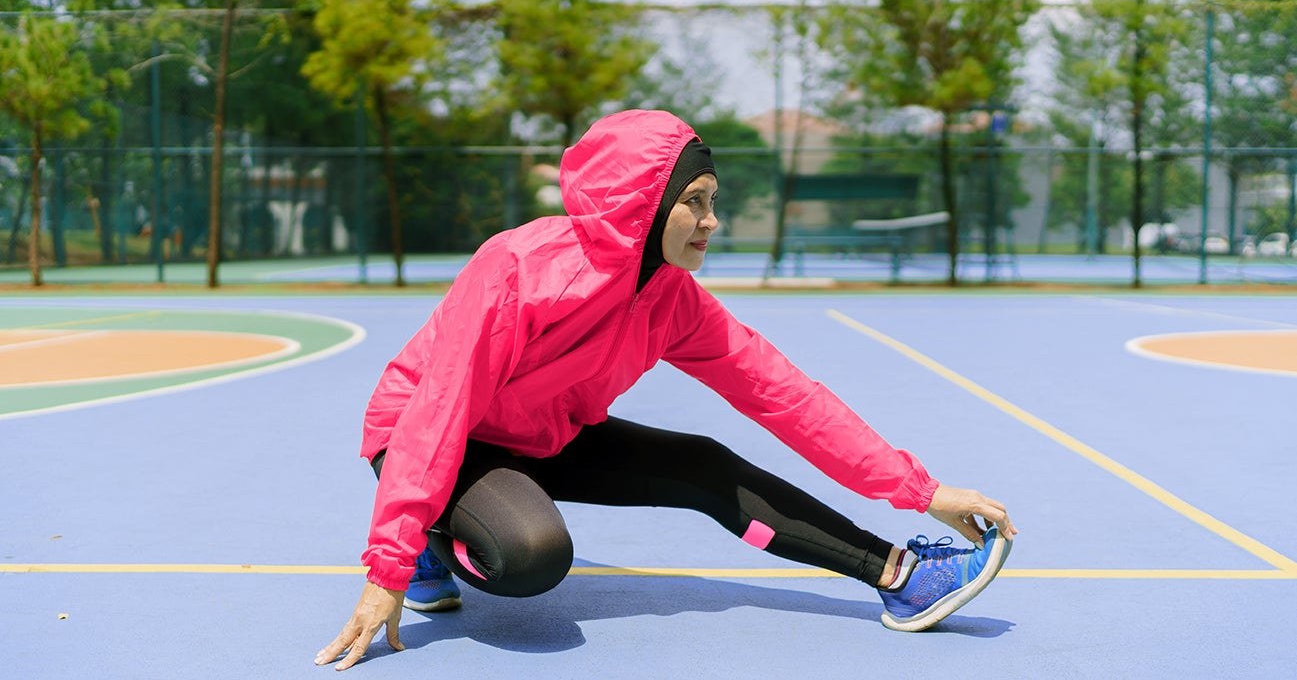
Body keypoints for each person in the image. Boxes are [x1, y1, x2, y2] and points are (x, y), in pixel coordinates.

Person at [316, 109, 1017, 671]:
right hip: (433, 433)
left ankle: (900, 576)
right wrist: (387, 565)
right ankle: (430, 546)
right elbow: (440, 411)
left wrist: (919, 489)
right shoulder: (516, 267)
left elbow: (786, 396)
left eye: (713, 200)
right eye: (694, 201)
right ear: (640, 206)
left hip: (542, 433)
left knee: (703, 463)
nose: (712, 220)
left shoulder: (672, 298)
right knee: (532, 555)